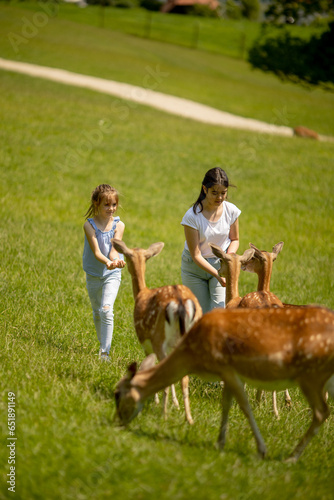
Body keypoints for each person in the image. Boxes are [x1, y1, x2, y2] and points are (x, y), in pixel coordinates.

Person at [181, 167, 241, 313]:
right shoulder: (192, 217)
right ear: (204, 189)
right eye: (214, 192)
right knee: (199, 315)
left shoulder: (231, 211)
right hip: (194, 269)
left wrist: (228, 258)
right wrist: (216, 274)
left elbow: (235, 239)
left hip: (220, 264)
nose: (219, 198)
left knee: (218, 312)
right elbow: (196, 255)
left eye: (223, 193)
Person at [83, 184, 125, 362]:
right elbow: (97, 252)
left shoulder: (119, 224)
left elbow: (114, 249)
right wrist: (107, 261)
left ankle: (104, 353)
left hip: (112, 274)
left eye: (114, 204)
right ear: (96, 203)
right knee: (97, 311)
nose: (111, 209)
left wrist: (115, 261)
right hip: (94, 273)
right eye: (107, 205)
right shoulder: (89, 225)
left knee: (107, 309)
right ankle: (102, 343)